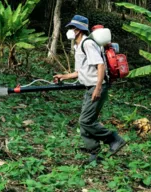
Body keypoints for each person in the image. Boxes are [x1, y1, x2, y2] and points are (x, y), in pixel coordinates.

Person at [54, 15, 126, 162]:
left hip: (97, 86)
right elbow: (81, 71)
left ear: (79, 30)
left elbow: (100, 65)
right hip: (90, 87)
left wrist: (98, 88)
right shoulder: (78, 46)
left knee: (86, 121)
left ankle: (114, 139)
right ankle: (94, 153)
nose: (70, 31)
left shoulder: (87, 44)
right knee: (85, 120)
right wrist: (64, 76)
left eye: (72, 28)